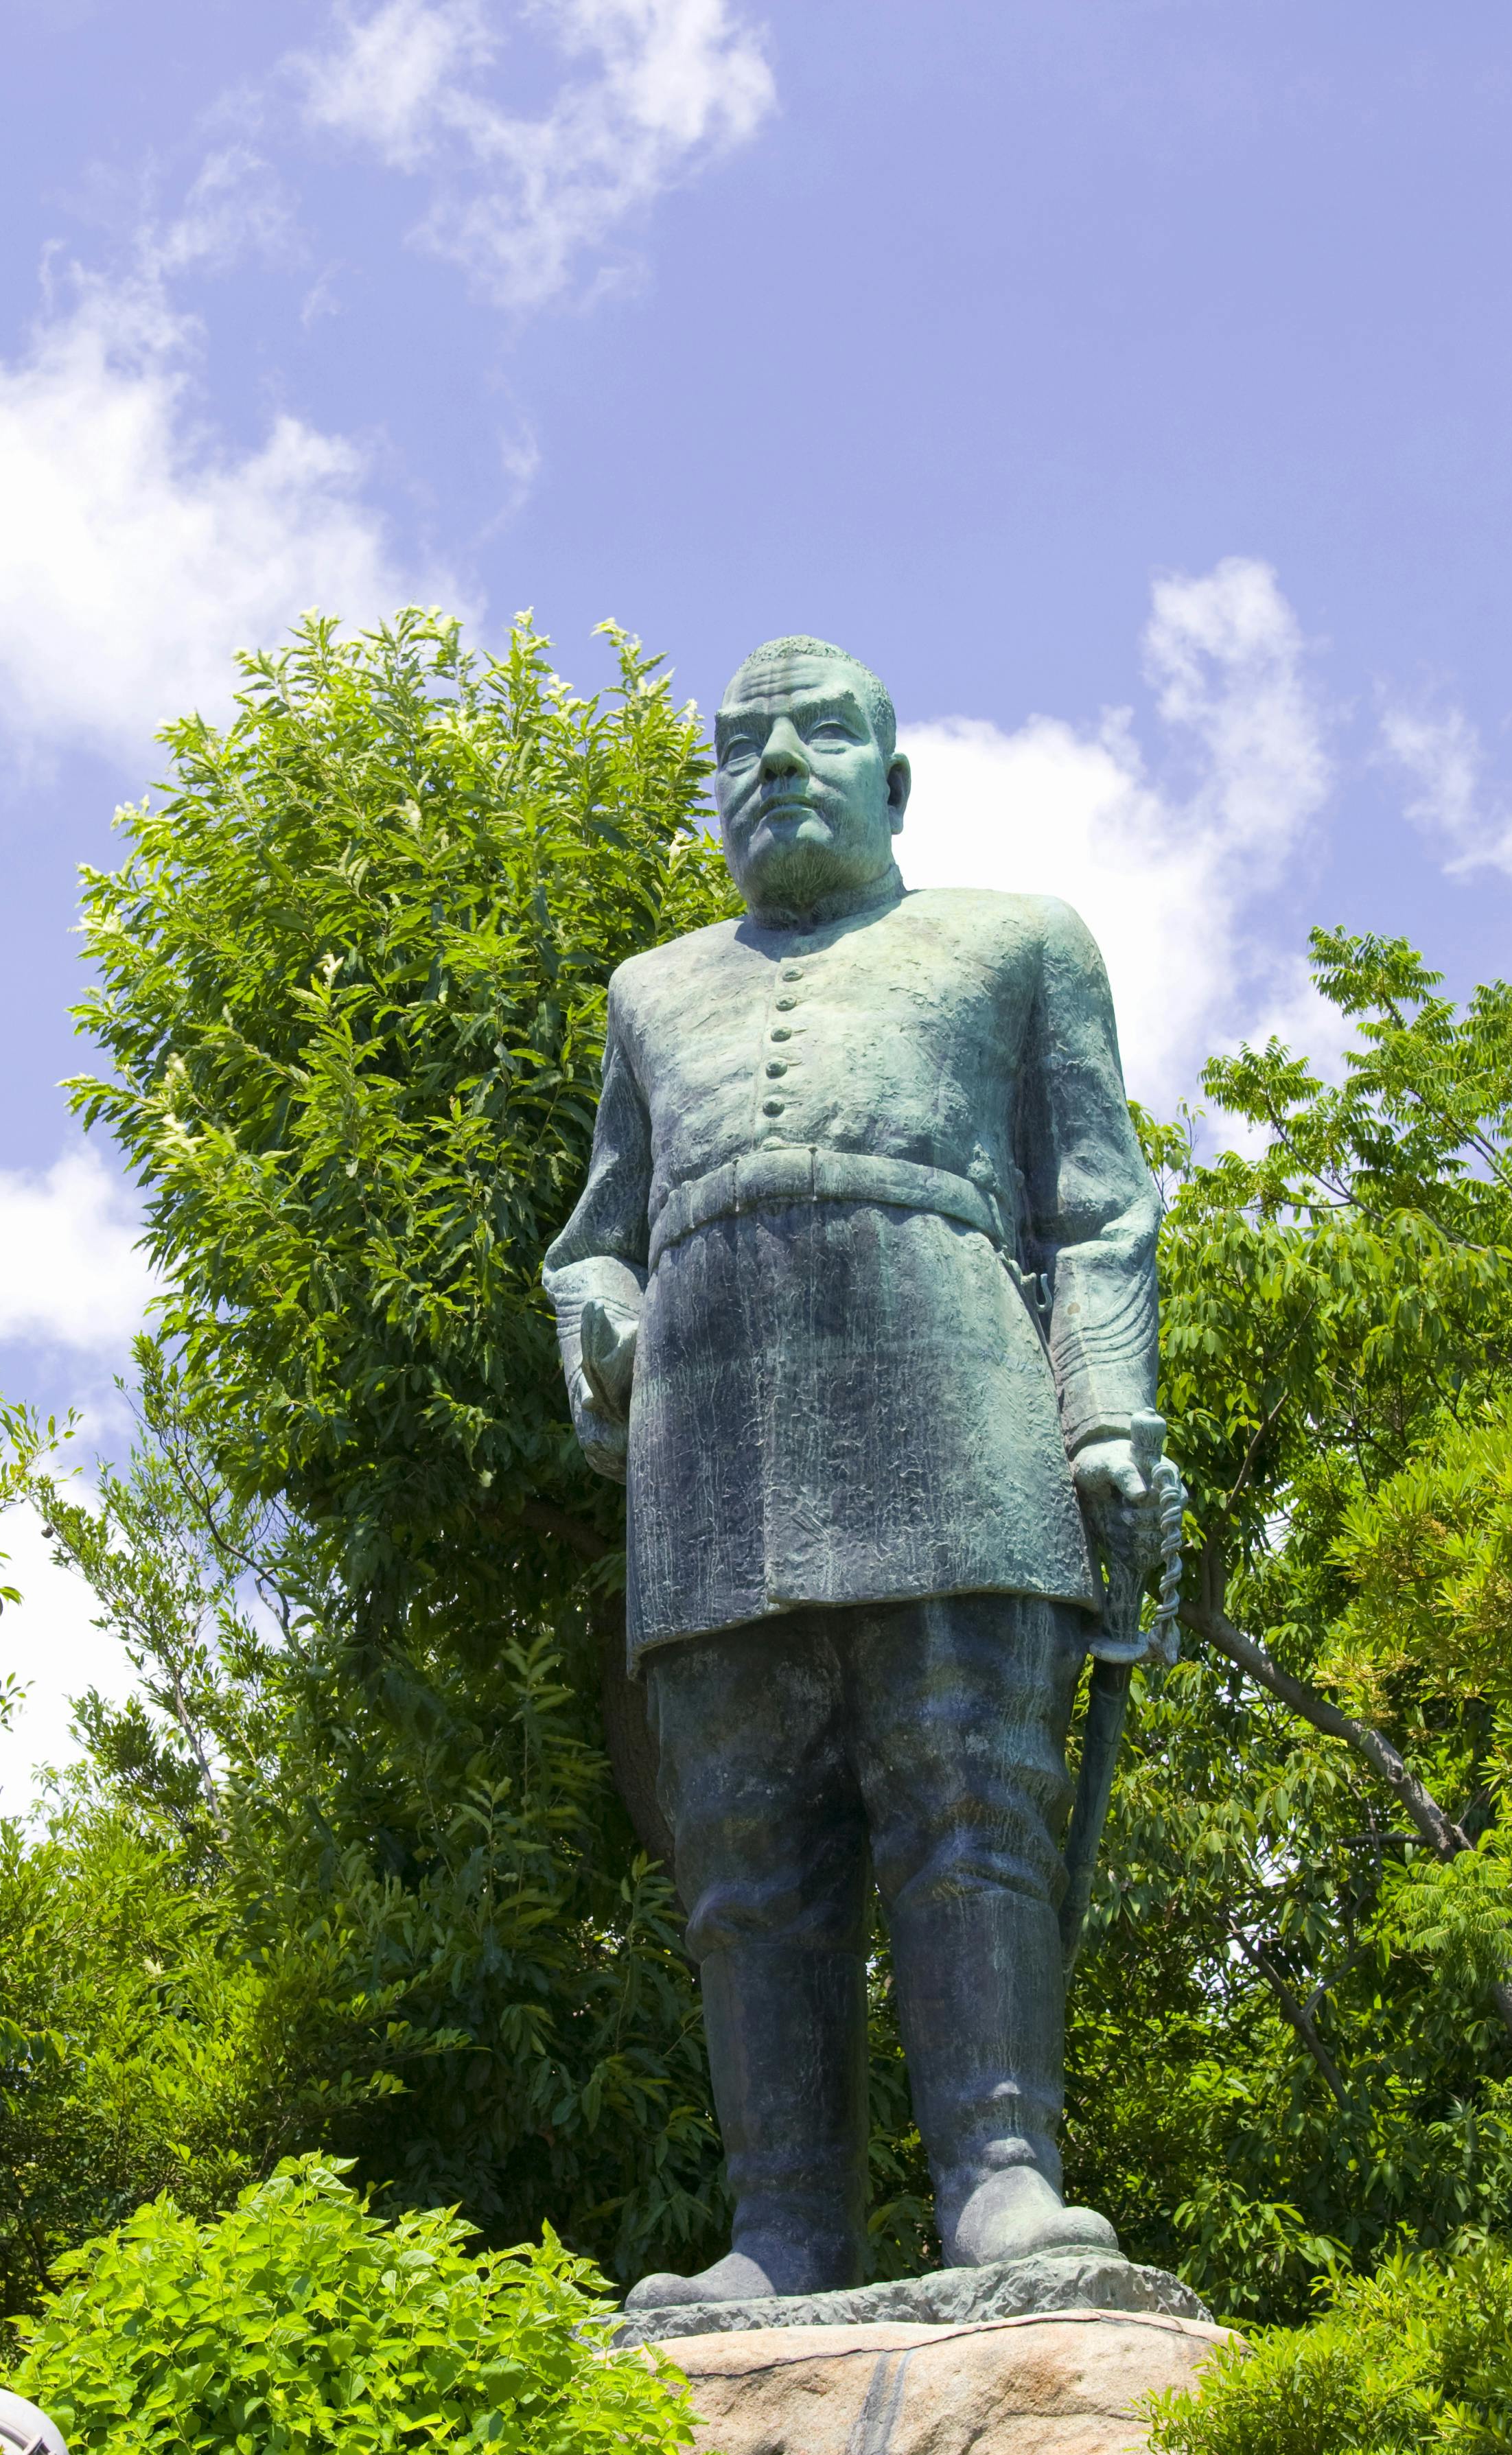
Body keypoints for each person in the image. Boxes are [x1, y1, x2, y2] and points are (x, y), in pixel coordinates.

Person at [543, 634, 1175, 2309]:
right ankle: (787, 2229)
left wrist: (1104, 1414)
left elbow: (1103, 1208)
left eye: (824, 736)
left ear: (895, 780)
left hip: (956, 1403)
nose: (781, 765)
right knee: (743, 1851)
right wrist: (593, 1318)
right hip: (711, 1455)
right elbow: (595, 1241)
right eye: (745, 745)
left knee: (972, 1802)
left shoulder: (1017, 941)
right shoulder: (650, 991)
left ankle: (1001, 2175)